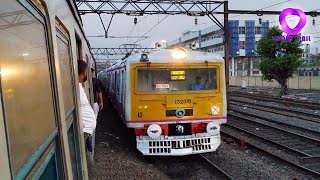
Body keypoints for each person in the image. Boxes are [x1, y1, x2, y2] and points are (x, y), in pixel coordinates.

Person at [78, 60, 96, 179]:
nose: (86, 75)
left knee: (89, 166)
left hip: (86, 133)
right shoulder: (73, 86)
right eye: (85, 72)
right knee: (88, 169)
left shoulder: (78, 85)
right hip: (83, 133)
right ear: (83, 72)